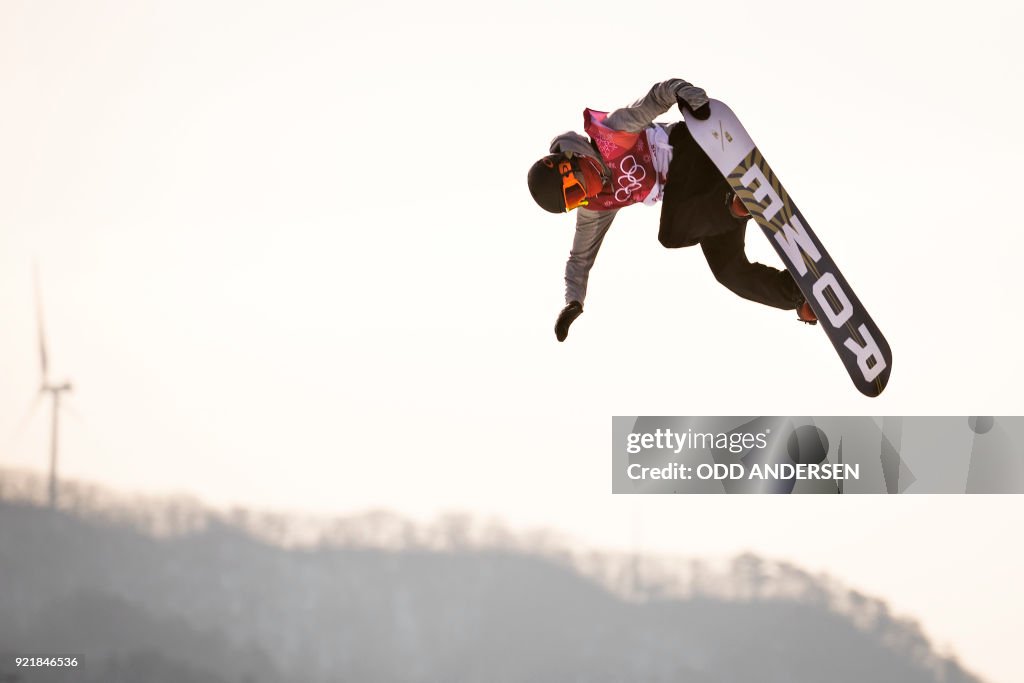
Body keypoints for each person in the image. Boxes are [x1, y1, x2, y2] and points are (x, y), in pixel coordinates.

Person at [527, 78, 818, 342]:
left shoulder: (612, 132)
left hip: (694, 150)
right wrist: (573, 302)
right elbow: (579, 259)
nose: (585, 196)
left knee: (672, 234)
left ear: (573, 160)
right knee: (728, 271)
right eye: (576, 200)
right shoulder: (597, 205)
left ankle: (735, 203)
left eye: (576, 189)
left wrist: (685, 94)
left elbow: (656, 97)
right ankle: (799, 295)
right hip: (705, 199)